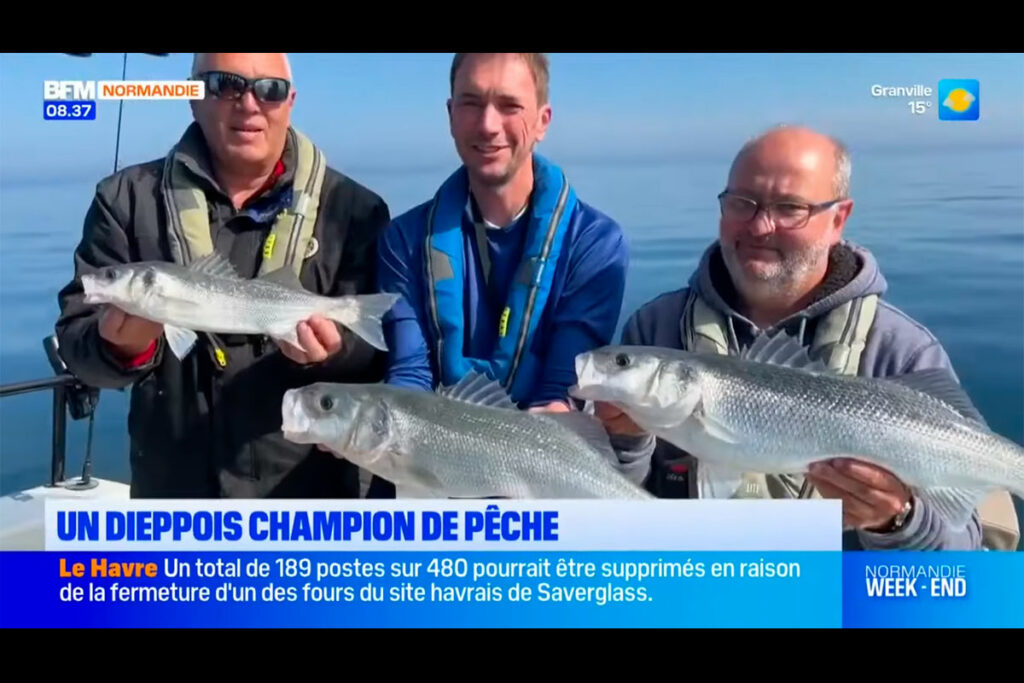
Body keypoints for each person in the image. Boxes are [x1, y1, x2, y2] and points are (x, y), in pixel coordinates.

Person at [598, 124, 1021, 551]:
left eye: (790, 208)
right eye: (743, 203)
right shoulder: (656, 328)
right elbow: (609, 512)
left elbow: (965, 553)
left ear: (838, 219)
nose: (761, 226)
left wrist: (897, 520)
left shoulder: (904, 351)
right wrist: (629, 442)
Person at [55, 53, 392, 499]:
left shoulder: (355, 211)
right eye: (224, 84)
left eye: (268, 89)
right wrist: (120, 346)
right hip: (172, 501)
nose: (248, 103)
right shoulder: (123, 201)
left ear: (290, 101)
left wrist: (331, 354)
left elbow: (387, 358)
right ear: (193, 96)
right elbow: (78, 344)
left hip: (310, 503)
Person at [372, 53, 629, 497]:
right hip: (434, 473)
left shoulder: (595, 242)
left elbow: (562, 385)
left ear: (543, 120)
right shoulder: (403, 239)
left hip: (539, 472)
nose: (488, 125)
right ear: (451, 115)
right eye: (471, 103)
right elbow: (410, 372)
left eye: (509, 105)